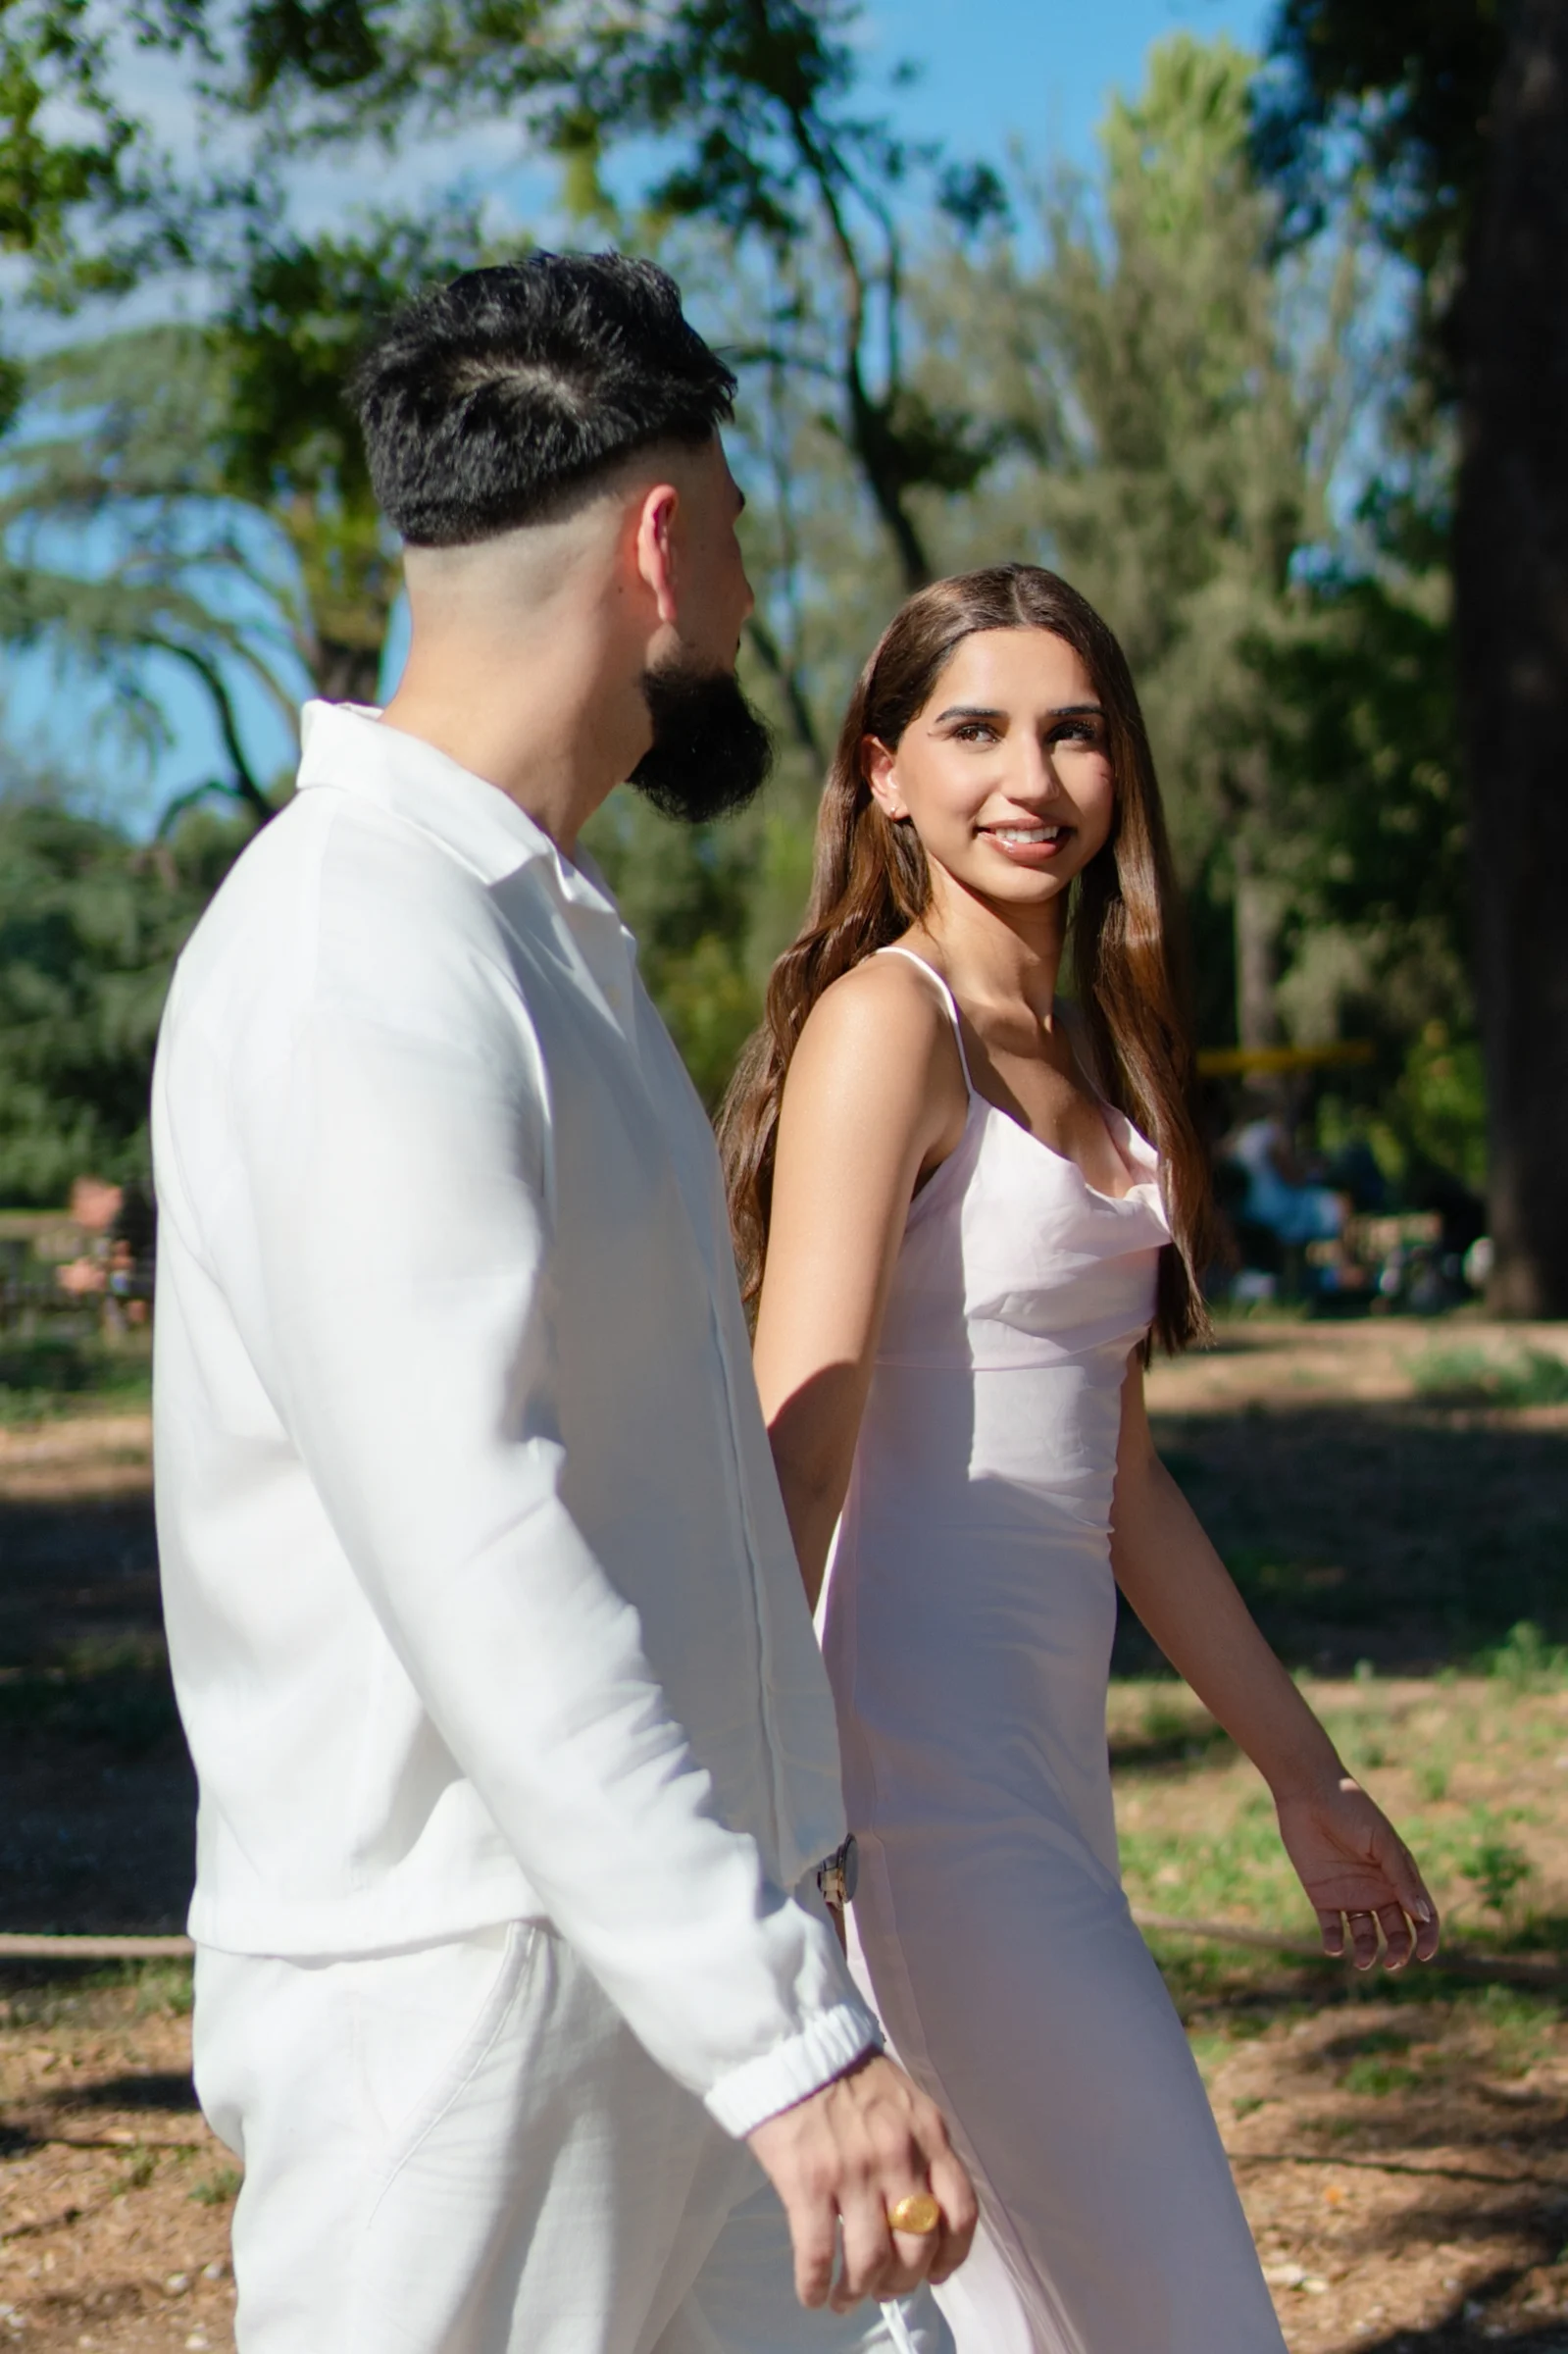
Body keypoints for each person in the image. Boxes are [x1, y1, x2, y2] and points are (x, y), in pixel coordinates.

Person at [151, 254, 976, 2354]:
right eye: (740, 540)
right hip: (464, 2015)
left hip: (680, 1967)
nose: (749, 607)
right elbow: (475, 1539)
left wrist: (777, 1943)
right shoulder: (357, 947)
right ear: (660, 543)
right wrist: (781, 2036)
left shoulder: (532, 933)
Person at [719, 566, 1440, 2354]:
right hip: (911, 1786)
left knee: (1035, 2318)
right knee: (1178, 2307)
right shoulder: (889, 1024)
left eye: (1073, 732)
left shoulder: (1096, 1049)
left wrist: (1305, 1779)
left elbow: (1120, 1486)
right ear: (882, 772)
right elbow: (797, 1433)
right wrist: (729, 1808)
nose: (1028, 778)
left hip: (1040, 1773)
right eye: (973, 730)